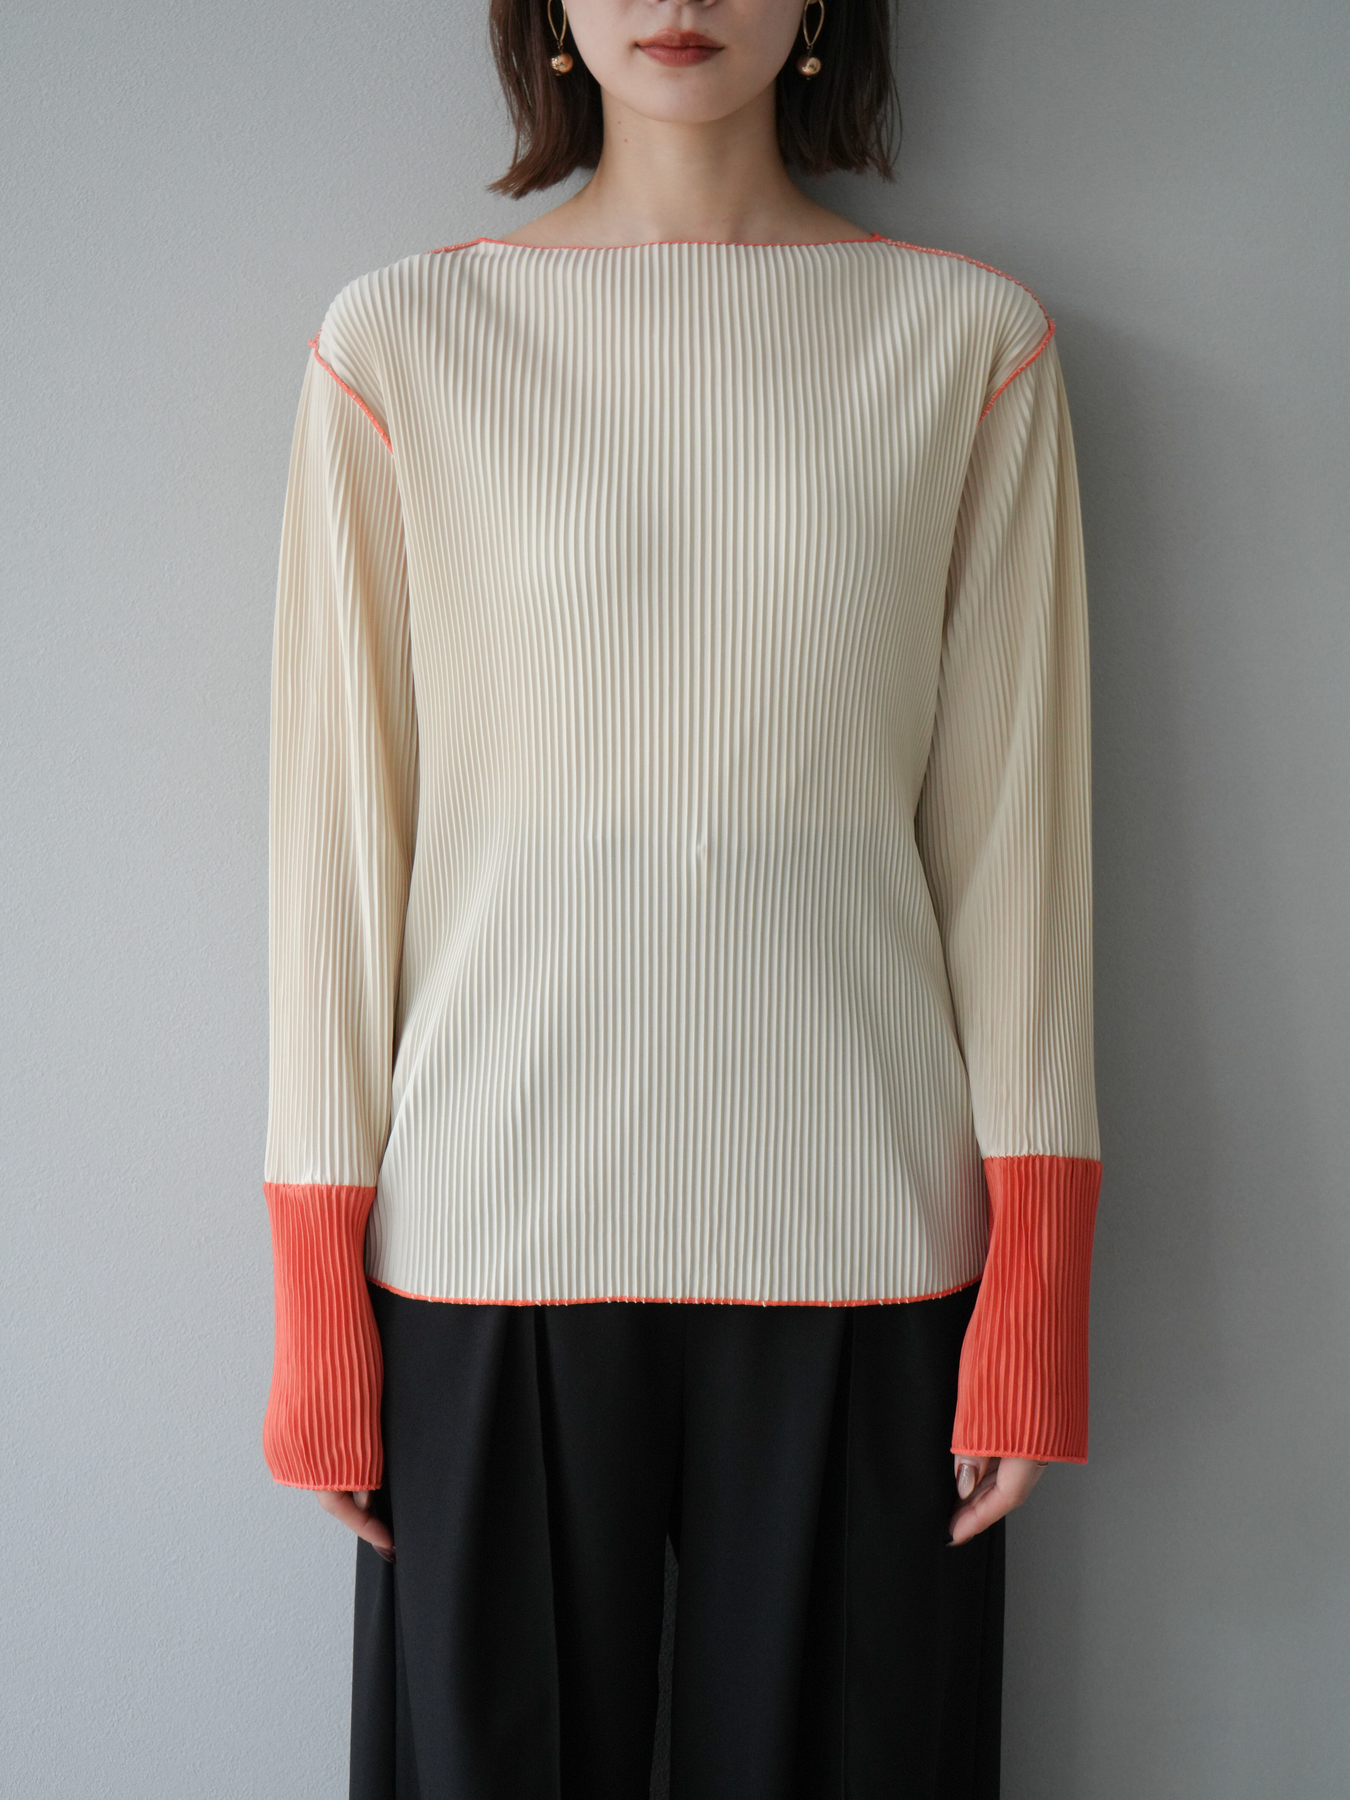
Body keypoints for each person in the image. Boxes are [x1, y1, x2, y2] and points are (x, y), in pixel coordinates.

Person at [260, 1, 1102, 1793]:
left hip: (868, 1242)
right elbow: (335, 843)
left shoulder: (966, 345)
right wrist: (317, 1299)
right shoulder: (401, 343)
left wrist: (1034, 1287)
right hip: (484, 1244)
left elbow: (1019, 850)